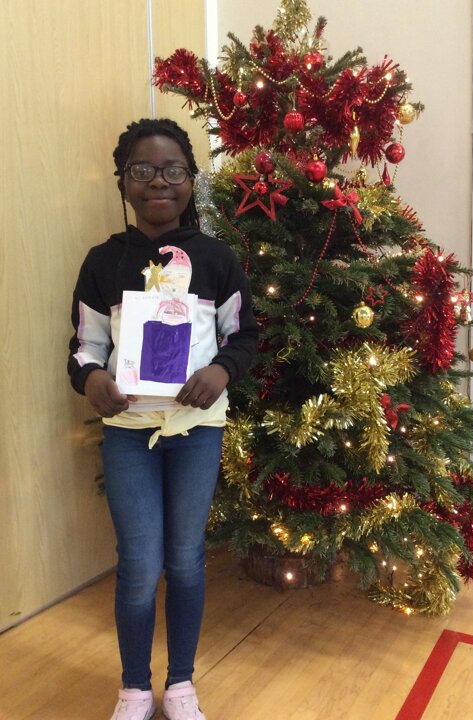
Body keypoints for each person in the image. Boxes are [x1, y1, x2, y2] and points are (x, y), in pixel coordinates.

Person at [68, 118, 258, 720]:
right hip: (129, 434)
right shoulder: (103, 262)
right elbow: (83, 346)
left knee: (185, 559)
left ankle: (180, 684)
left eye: (173, 170)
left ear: (191, 180)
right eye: (143, 170)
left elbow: (243, 335)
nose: (158, 182)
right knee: (139, 564)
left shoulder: (217, 259)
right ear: (122, 182)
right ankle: (133, 687)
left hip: (197, 431)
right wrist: (91, 379)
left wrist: (221, 371)